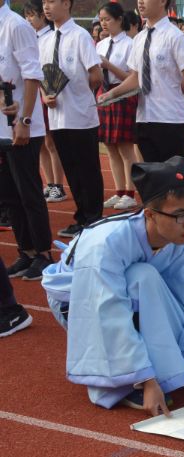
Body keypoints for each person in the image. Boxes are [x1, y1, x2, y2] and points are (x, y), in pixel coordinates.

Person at [41, 156, 184, 415]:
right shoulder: (107, 242)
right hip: (77, 304)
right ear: (149, 214)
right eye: (181, 216)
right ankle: (125, 381)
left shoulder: (183, 237)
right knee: (142, 276)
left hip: (131, 295)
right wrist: (145, 380)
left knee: (148, 279)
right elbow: (107, 310)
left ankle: (162, 366)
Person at [99, 0, 184, 163]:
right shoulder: (139, 38)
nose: (140, 3)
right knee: (151, 178)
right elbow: (135, 77)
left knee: (173, 179)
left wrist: (172, 96)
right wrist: (112, 93)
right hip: (144, 117)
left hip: (170, 119)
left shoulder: (175, 36)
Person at [39, 0, 104, 239]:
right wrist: (46, 96)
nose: (46, 7)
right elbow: (39, 77)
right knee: (71, 170)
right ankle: (82, 216)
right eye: (44, 2)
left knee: (88, 169)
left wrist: (77, 93)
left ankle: (94, 218)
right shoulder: (44, 40)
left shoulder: (80, 36)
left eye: (51, 2)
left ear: (67, 4)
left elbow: (95, 75)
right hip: (57, 117)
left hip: (82, 116)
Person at [0, 0, 54, 281]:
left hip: (22, 128)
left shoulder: (16, 26)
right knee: (9, 195)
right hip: (1, 129)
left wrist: (25, 120)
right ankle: (27, 251)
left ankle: (44, 253)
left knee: (29, 192)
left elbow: (33, 76)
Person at [96, 3, 139, 211]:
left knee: (125, 147)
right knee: (110, 147)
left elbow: (132, 77)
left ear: (119, 20)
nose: (103, 23)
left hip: (123, 95)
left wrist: (109, 65)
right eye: (101, 19)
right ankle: (119, 190)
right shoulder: (100, 45)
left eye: (107, 19)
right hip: (104, 95)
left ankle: (131, 192)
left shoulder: (129, 44)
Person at [23, 0, 66, 204]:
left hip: (48, 95)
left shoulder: (50, 37)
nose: (28, 19)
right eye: (27, 16)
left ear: (42, 16)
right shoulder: (30, 37)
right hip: (34, 95)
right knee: (40, 143)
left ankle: (58, 185)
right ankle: (49, 183)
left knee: (51, 143)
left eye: (32, 15)